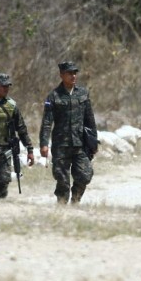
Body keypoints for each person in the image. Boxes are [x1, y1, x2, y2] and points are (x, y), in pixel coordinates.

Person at [39, 61, 97, 204]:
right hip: (61, 145)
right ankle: (62, 206)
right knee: (62, 179)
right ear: (61, 75)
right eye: (70, 73)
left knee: (85, 175)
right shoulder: (53, 96)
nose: (73, 76)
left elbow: (90, 119)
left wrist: (93, 141)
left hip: (80, 144)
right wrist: (44, 144)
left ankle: (76, 199)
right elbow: (47, 122)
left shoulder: (83, 93)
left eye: (75, 73)